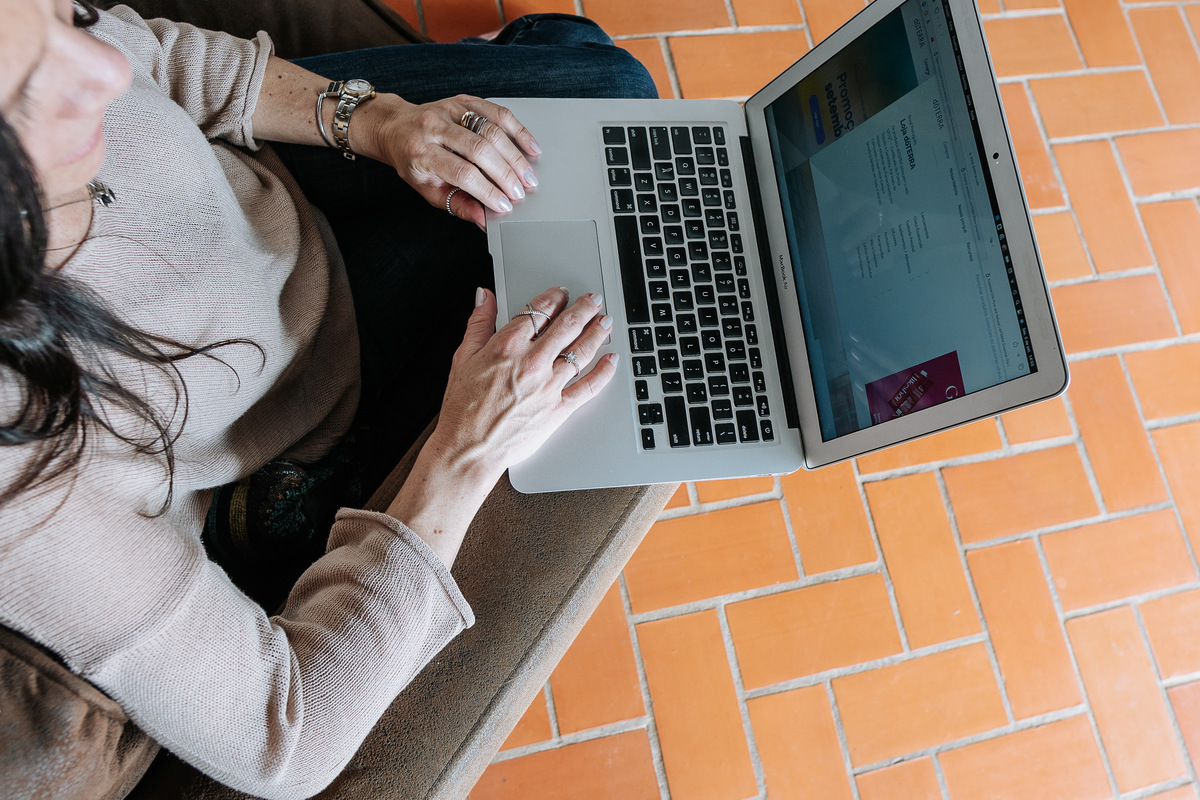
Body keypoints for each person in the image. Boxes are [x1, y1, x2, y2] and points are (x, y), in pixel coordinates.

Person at [0, 1, 657, 798]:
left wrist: (379, 123)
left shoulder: (64, 58)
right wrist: (465, 451)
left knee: (606, 98)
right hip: (311, 388)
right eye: (30, 87)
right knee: (607, 93)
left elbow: (154, 57)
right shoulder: (24, 490)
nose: (104, 66)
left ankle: (525, 48)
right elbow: (287, 740)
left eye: (67, 17)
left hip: (273, 183)